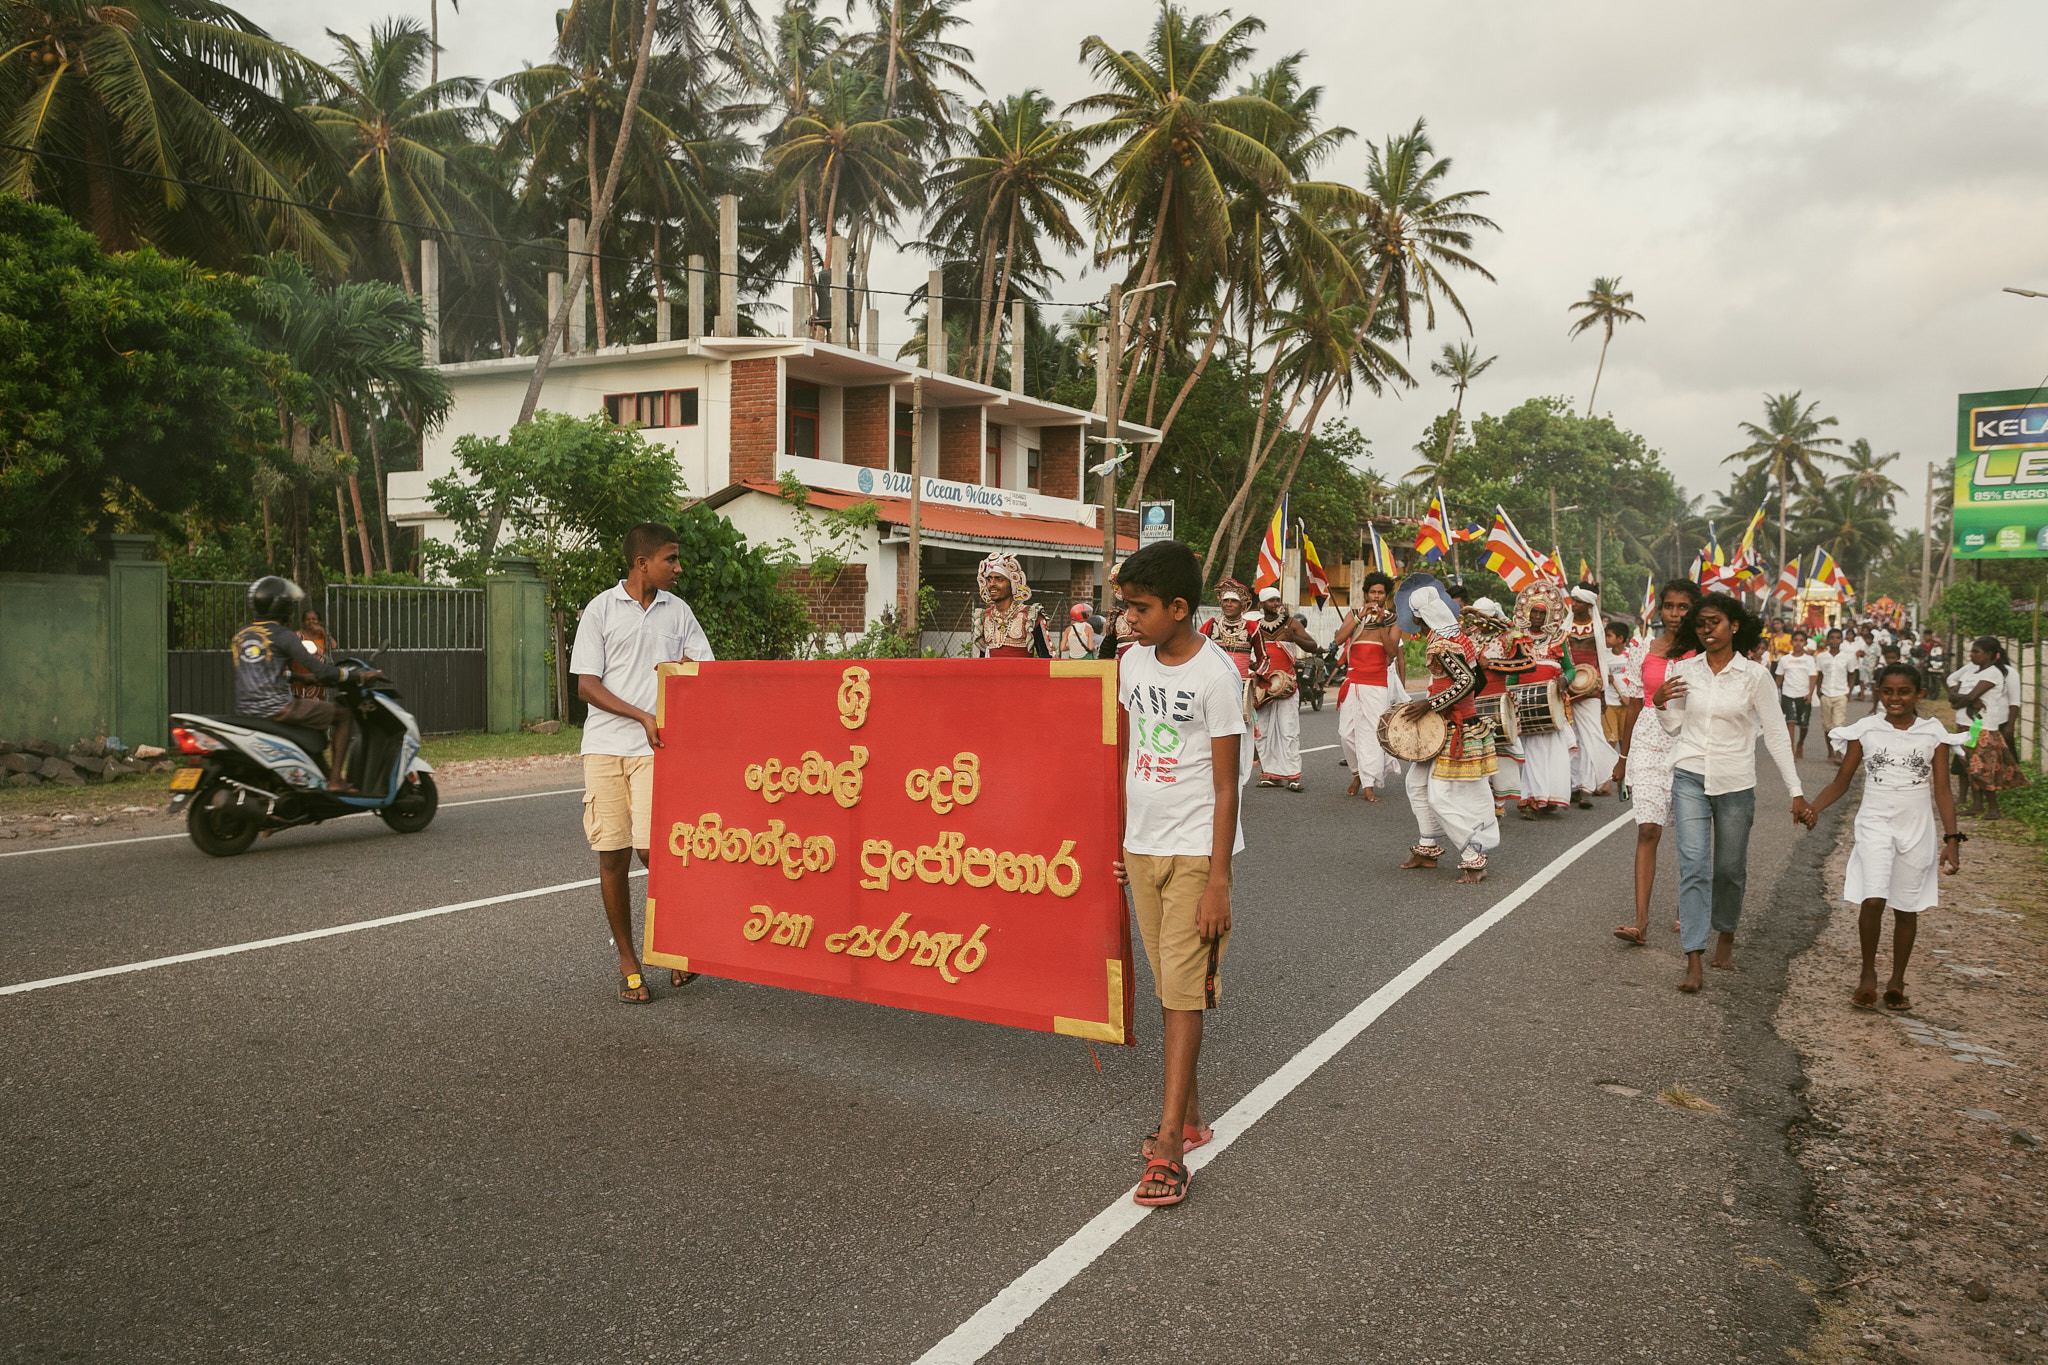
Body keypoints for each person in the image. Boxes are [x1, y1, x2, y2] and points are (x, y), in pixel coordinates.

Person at [1110, 539, 1244, 1209]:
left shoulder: (1216, 676)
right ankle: (1190, 1118)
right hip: (1141, 846)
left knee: (1183, 992)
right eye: (1127, 609)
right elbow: (1126, 751)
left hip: (1194, 851)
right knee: (1169, 987)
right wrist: (1118, 835)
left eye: (1140, 608)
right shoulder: (1131, 664)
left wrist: (1218, 877)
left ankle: (1171, 1145)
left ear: (1180, 609)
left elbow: (1227, 786)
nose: (1130, 620)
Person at [570, 522, 714, 1004]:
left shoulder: (680, 613)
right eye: (670, 559)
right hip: (606, 747)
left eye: (677, 559)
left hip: (657, 751)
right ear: (641, 563)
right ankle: (628, 959)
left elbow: (704, 674)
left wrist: (683, 694)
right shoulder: (601, 610)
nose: (678, 568)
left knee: (656, 852)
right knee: (612, 855)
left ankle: (673, 948)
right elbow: (585, 686)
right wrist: (640, 714)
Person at [1652, 593, 1813, 991]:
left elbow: (1775, 733)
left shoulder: (1754, 677)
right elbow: (1674, 725)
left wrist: (1796, 791)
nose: (1707, 629)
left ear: (1735, 626)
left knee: (1729, 869)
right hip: (1689, 774)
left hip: (1736, 782)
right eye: (1701, 623)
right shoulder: (1686, 669)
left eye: (1715, 622)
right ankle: (1693, 958)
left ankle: (1725, 932)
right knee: (1693, 865)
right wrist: (1659, 704)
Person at [1806, 663, 1966, 1012]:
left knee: (1906, 907)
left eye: (1904, 691)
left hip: (1916, 827)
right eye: (1888, 691)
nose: (1895, 698)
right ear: (1878, 691)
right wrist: (1815, 807)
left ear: (1919, 694)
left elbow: (1942, 790)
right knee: (1874, 898)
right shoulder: (1866, 730)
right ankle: (1867, 976)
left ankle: (1897, 979)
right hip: (1875, 823)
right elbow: (1842, 781)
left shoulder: (1934, 734)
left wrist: (1951, 839)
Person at [1612, 579, 1700, 946]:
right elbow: (1633, 703)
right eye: (1669, 606)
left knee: (1689, 835)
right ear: (1659, 609)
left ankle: (1687, 906)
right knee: (1648, 829)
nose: (1675, 614)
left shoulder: (1705, 651)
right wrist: (1622, 757)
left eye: (1682, 607)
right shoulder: (1643, 649)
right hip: (1648, 740)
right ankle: (1641, 920)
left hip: (1690, 742)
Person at [233, 577, 380, 793]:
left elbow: (263, 669)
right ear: (283, 607)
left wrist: (300, 678)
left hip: (247, 713)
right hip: (280, 709)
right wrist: (355, 676)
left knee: (312, 721)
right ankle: (336, 780)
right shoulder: (284, 635)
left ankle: (315, 775)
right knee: (343, 715)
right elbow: (321, 670)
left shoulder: (240, 636)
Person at [1398, 590, 1503, 884]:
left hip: (1454, 727)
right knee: (1416, 784)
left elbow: (1467, 681)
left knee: (1440, 795)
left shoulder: (1442, 643)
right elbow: (1478, 678)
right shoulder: (1456, 636)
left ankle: (1473, 855)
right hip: (1447, 724)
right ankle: (1428, 847)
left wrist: (1430, 704)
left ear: (1418, 617)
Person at [1330, 571, 1404, 801]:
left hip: (1377, 682)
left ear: (1386, 596)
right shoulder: (1354, 614)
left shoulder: (1393, 620)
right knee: (1346, 733)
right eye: (1373, 592)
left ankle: (1368, 783)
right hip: (1353, 680)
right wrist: (1361, 618)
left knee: (1372, 734)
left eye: (1381, 593)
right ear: (1365, 594)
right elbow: (1339, 639)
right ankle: (1358, 772)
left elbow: (1391, 653)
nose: (1376, 596)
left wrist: (1380, 624)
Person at [1508, 582, 1576, 818]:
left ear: (1548, 614)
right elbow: (1513, 674)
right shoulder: (1518, 639)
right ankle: (1531, 800)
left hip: (1553, 705)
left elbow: (1570, 669)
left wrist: (1564, 681)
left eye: (1542, 613)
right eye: (1534, 612)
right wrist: (1509, 696)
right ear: (1527, 613)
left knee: (1553, 753)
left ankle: (1548, 796)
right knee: (1531, 753)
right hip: (1526, 705)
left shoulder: (1558, 639)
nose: (1537, 617)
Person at [1949, 637, 2030, 819]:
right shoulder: (1971, 672)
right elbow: (1957, 696)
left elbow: (1966, 698)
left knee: (1982, 767)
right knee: (1970, 766)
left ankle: (1993, 807)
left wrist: (1959, 700)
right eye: (1971, 651)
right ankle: (1977, 805)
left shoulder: (1993, 673)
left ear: (1989, 655)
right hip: (1965, 724)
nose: (1972, 655)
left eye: (1976, 651)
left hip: (1982, 726)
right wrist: (1961, 699)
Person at [1251, 586, 1318, 792]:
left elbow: (1313, 646)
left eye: (1277, 599)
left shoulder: (1291, 624)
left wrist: (1293, 637)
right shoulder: (1254, 627)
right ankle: (1271, 774)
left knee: (1288, 731)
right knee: (1263, 733)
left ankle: (1293, 775)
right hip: (1263, 686)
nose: (1275, 603)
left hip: (1286, 685)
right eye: (1271, 600)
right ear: (1261, 604)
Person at [1198, 578, 1264, 787]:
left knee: (1242, 734)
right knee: (1211, 730)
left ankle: (1240, 782)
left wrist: (1255, 675)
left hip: (1241, 689)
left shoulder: (1252, 628)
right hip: (1214, 686)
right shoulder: (1210, 626)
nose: (1228, 604)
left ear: (1243, 605)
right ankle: (1212, 777)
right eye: (1225, 600)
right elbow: (1197, 652)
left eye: (1233, 601)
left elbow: (1264, 659)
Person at [1565, 585, 1619, 807]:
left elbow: (1601, 660)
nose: (1573, 604)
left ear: (1588, 605)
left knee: (1591, 736)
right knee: (1572, 737)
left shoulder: (1597, 627)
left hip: (1592, 686)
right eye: (1573, 600)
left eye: (1577, 601)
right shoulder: (1565, 625)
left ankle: (1586, 787)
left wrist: (1603, 693)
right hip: (1568, 684)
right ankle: (1571, 786)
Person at [970, 552, 1050, 657]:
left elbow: (1048, 659)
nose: (992, 584)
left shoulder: (1030, 616)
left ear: (1012, 583)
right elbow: (982, 659)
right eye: (989, 579)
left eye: (999, 579)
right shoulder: (984, 617)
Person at [1773, 633, 1820, 759]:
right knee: (1791, 721)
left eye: (1801, 640)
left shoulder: (1809, 659)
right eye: (1795, 640)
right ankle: (1791, 750)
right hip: (1788, 694)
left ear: (1805, 643)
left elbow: (1813, 677)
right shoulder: (1784, 659)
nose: (1798, 643)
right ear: (1791, 642)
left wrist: (1810, 694)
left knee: (1804, 725)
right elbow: (1779, 679)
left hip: (1804, 695)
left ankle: (1800, 744)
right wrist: (1773, 696)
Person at [1814, 628, 1853, 740]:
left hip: (1841, 694)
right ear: (1827, 640)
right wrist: (1818, 691)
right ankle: (1830, 751)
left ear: (1841, 640)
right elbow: (1820, 674)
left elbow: (1852, 674)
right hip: (1826, 693)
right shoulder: (1821, 657)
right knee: (1827, 725)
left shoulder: (1847, 657)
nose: (1834, 641)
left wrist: (1848, 691)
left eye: (1837, 638)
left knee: (1839, 724)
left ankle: (1838, 752)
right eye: (1832, 638)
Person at [1601, 621, 1632, 751]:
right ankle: (1609, 770)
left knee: (1625, 741)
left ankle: (1624, 769)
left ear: (1620, 639)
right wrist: (1604, 678)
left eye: (1609, 636)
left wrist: (1629, 697)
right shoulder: (1604, 655)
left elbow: (1638, 680)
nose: (1606, 639)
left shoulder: (1631, 656)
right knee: (1611, 740)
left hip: (1627, 705)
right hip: (1609, 704)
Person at [292, 609, 334, 701]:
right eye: (308, 619)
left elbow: (334, 646)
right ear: (303, 622)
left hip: (317, 679)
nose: (311, 621)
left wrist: (323, 631)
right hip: (301, 677)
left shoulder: (322, 636)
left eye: (314, 619)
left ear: (319, 621)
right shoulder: (297, 635)